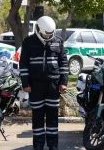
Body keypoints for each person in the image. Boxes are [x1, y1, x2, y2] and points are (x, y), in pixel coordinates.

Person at [19, 16, 68, 150]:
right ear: (38, 30)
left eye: (49, 35)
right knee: (38, 117)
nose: (47, 38)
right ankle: (38, 146)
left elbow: (63, 62)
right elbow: (23, 64)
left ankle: (53, 146)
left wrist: (63, 82)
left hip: (53, 85)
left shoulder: (58, 42)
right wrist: (25, 84)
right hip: (35, 86)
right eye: (45, 35)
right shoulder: (28, 42)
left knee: (52, 117)